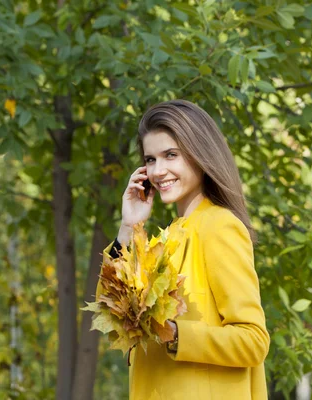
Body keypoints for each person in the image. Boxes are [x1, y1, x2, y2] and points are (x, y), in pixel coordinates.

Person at [102, 99, 269, 399]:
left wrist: (177, 335)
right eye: (151, 159)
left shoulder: (220, 226)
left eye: (171, 155)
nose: (158, 170)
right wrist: (129, 226)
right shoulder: (166, 240)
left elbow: (253, 340)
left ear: (200, 154)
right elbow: (110, 306)